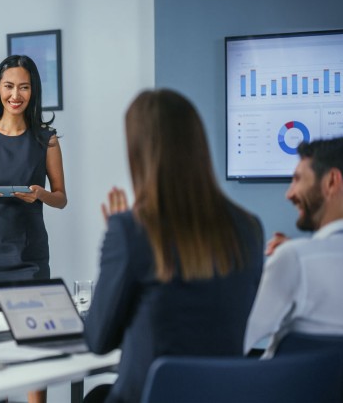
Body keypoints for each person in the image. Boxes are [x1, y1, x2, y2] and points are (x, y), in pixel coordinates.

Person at [83, 89, 264, 403]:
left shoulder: (130, 230)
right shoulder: (249, 227)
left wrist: (116, 246)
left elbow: (98, 340)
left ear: (138, 154)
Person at [0, 55, 67, 311]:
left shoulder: (47, 139)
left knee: (31, 327)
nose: (15, 95)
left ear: (33, 91)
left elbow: (61, 198)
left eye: (24, 87)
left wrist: (40, 194)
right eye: (9, 86)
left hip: (29, 251)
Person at [245, 137, 343, 357]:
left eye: (298, 179)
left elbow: (238, 339)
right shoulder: (301, 256)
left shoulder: (295, 259)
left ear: (331, 181)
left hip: (281, 389)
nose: (289, 193)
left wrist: (297, 255)